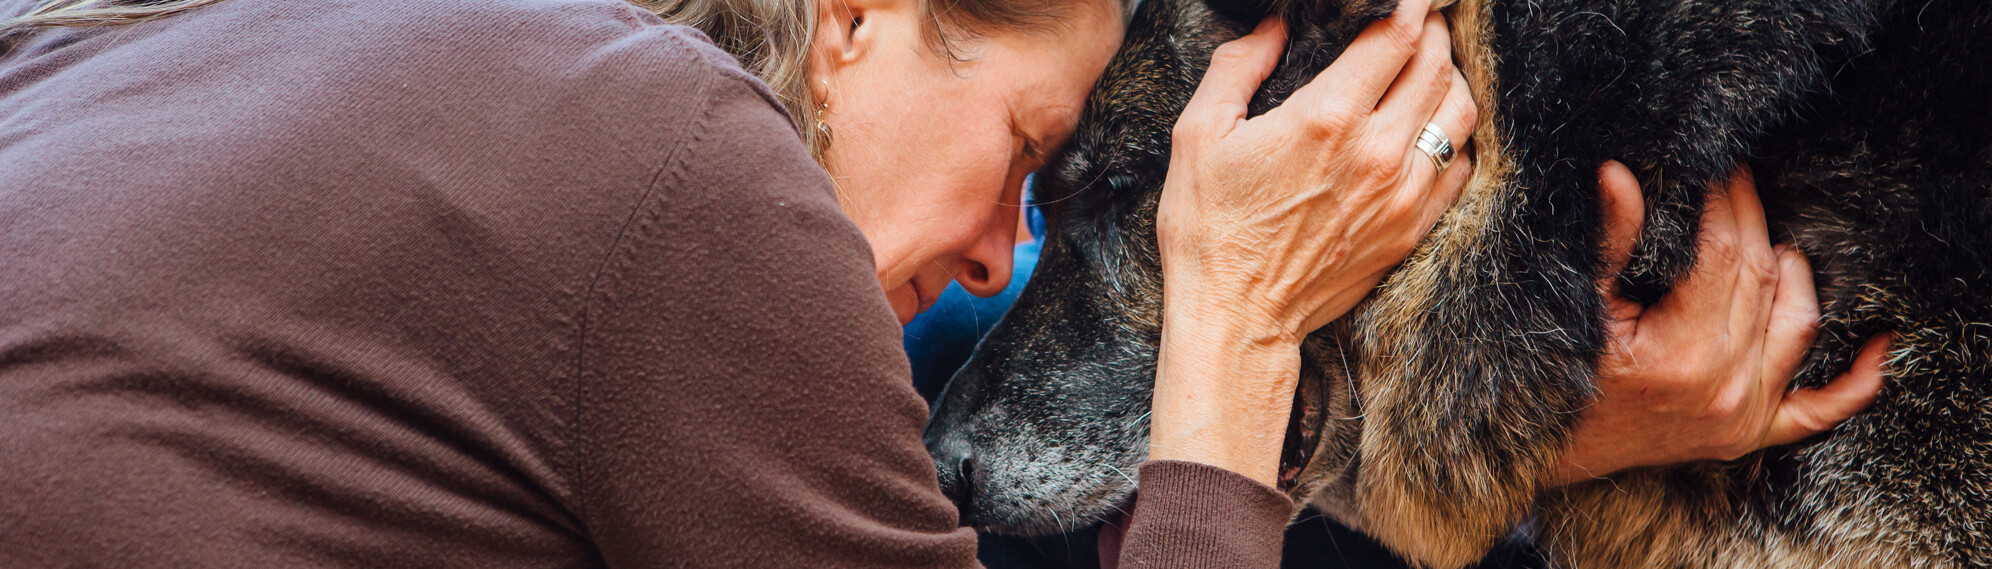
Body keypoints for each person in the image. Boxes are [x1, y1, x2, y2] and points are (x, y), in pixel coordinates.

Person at [0, 0, 1888, 566]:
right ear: (856, 27)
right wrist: (1230, 317)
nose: (1007, 249)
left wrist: (1511, 457)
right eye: (1031, 154)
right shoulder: (684, 174)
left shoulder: (219, 47)